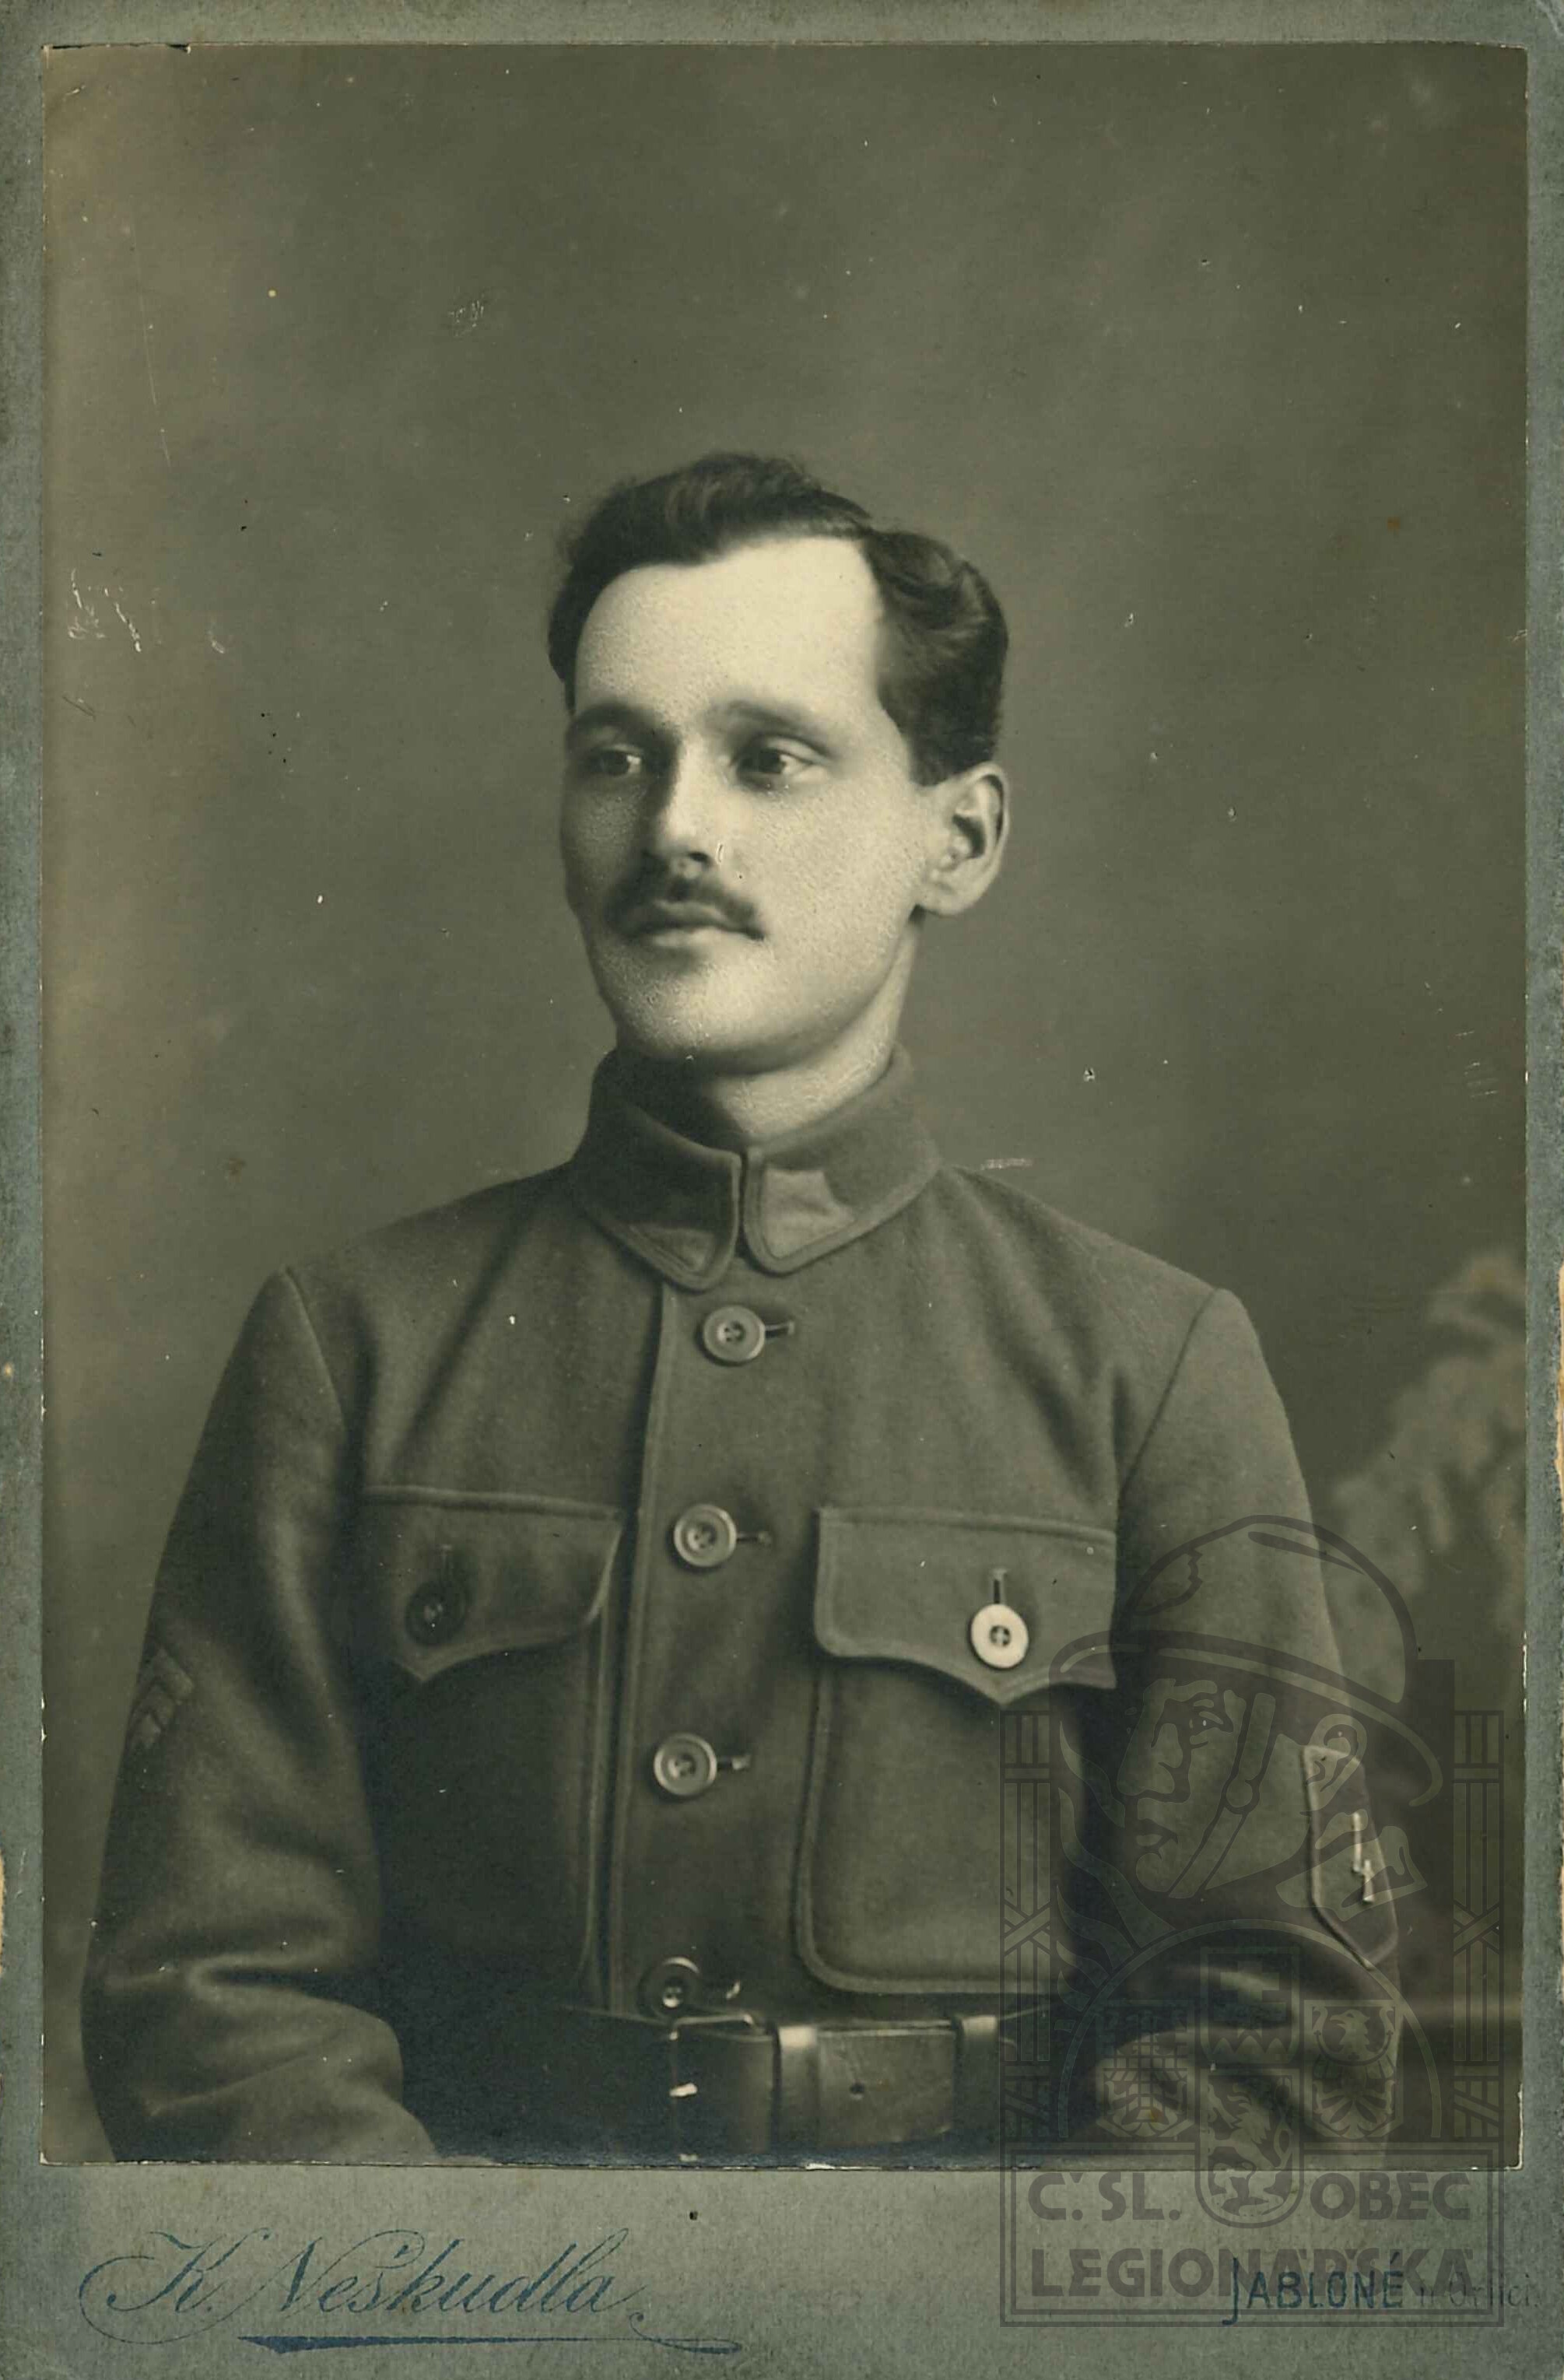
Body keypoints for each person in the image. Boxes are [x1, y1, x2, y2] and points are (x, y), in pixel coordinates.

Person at [82, 453, 1397, 2164]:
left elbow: (1273, 2023)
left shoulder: (1145, 1366)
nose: (674, 830)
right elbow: (212, 1995)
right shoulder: (355, 1348)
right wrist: (441, 2303)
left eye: (769, 757)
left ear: (958, 838)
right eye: (616, 756)